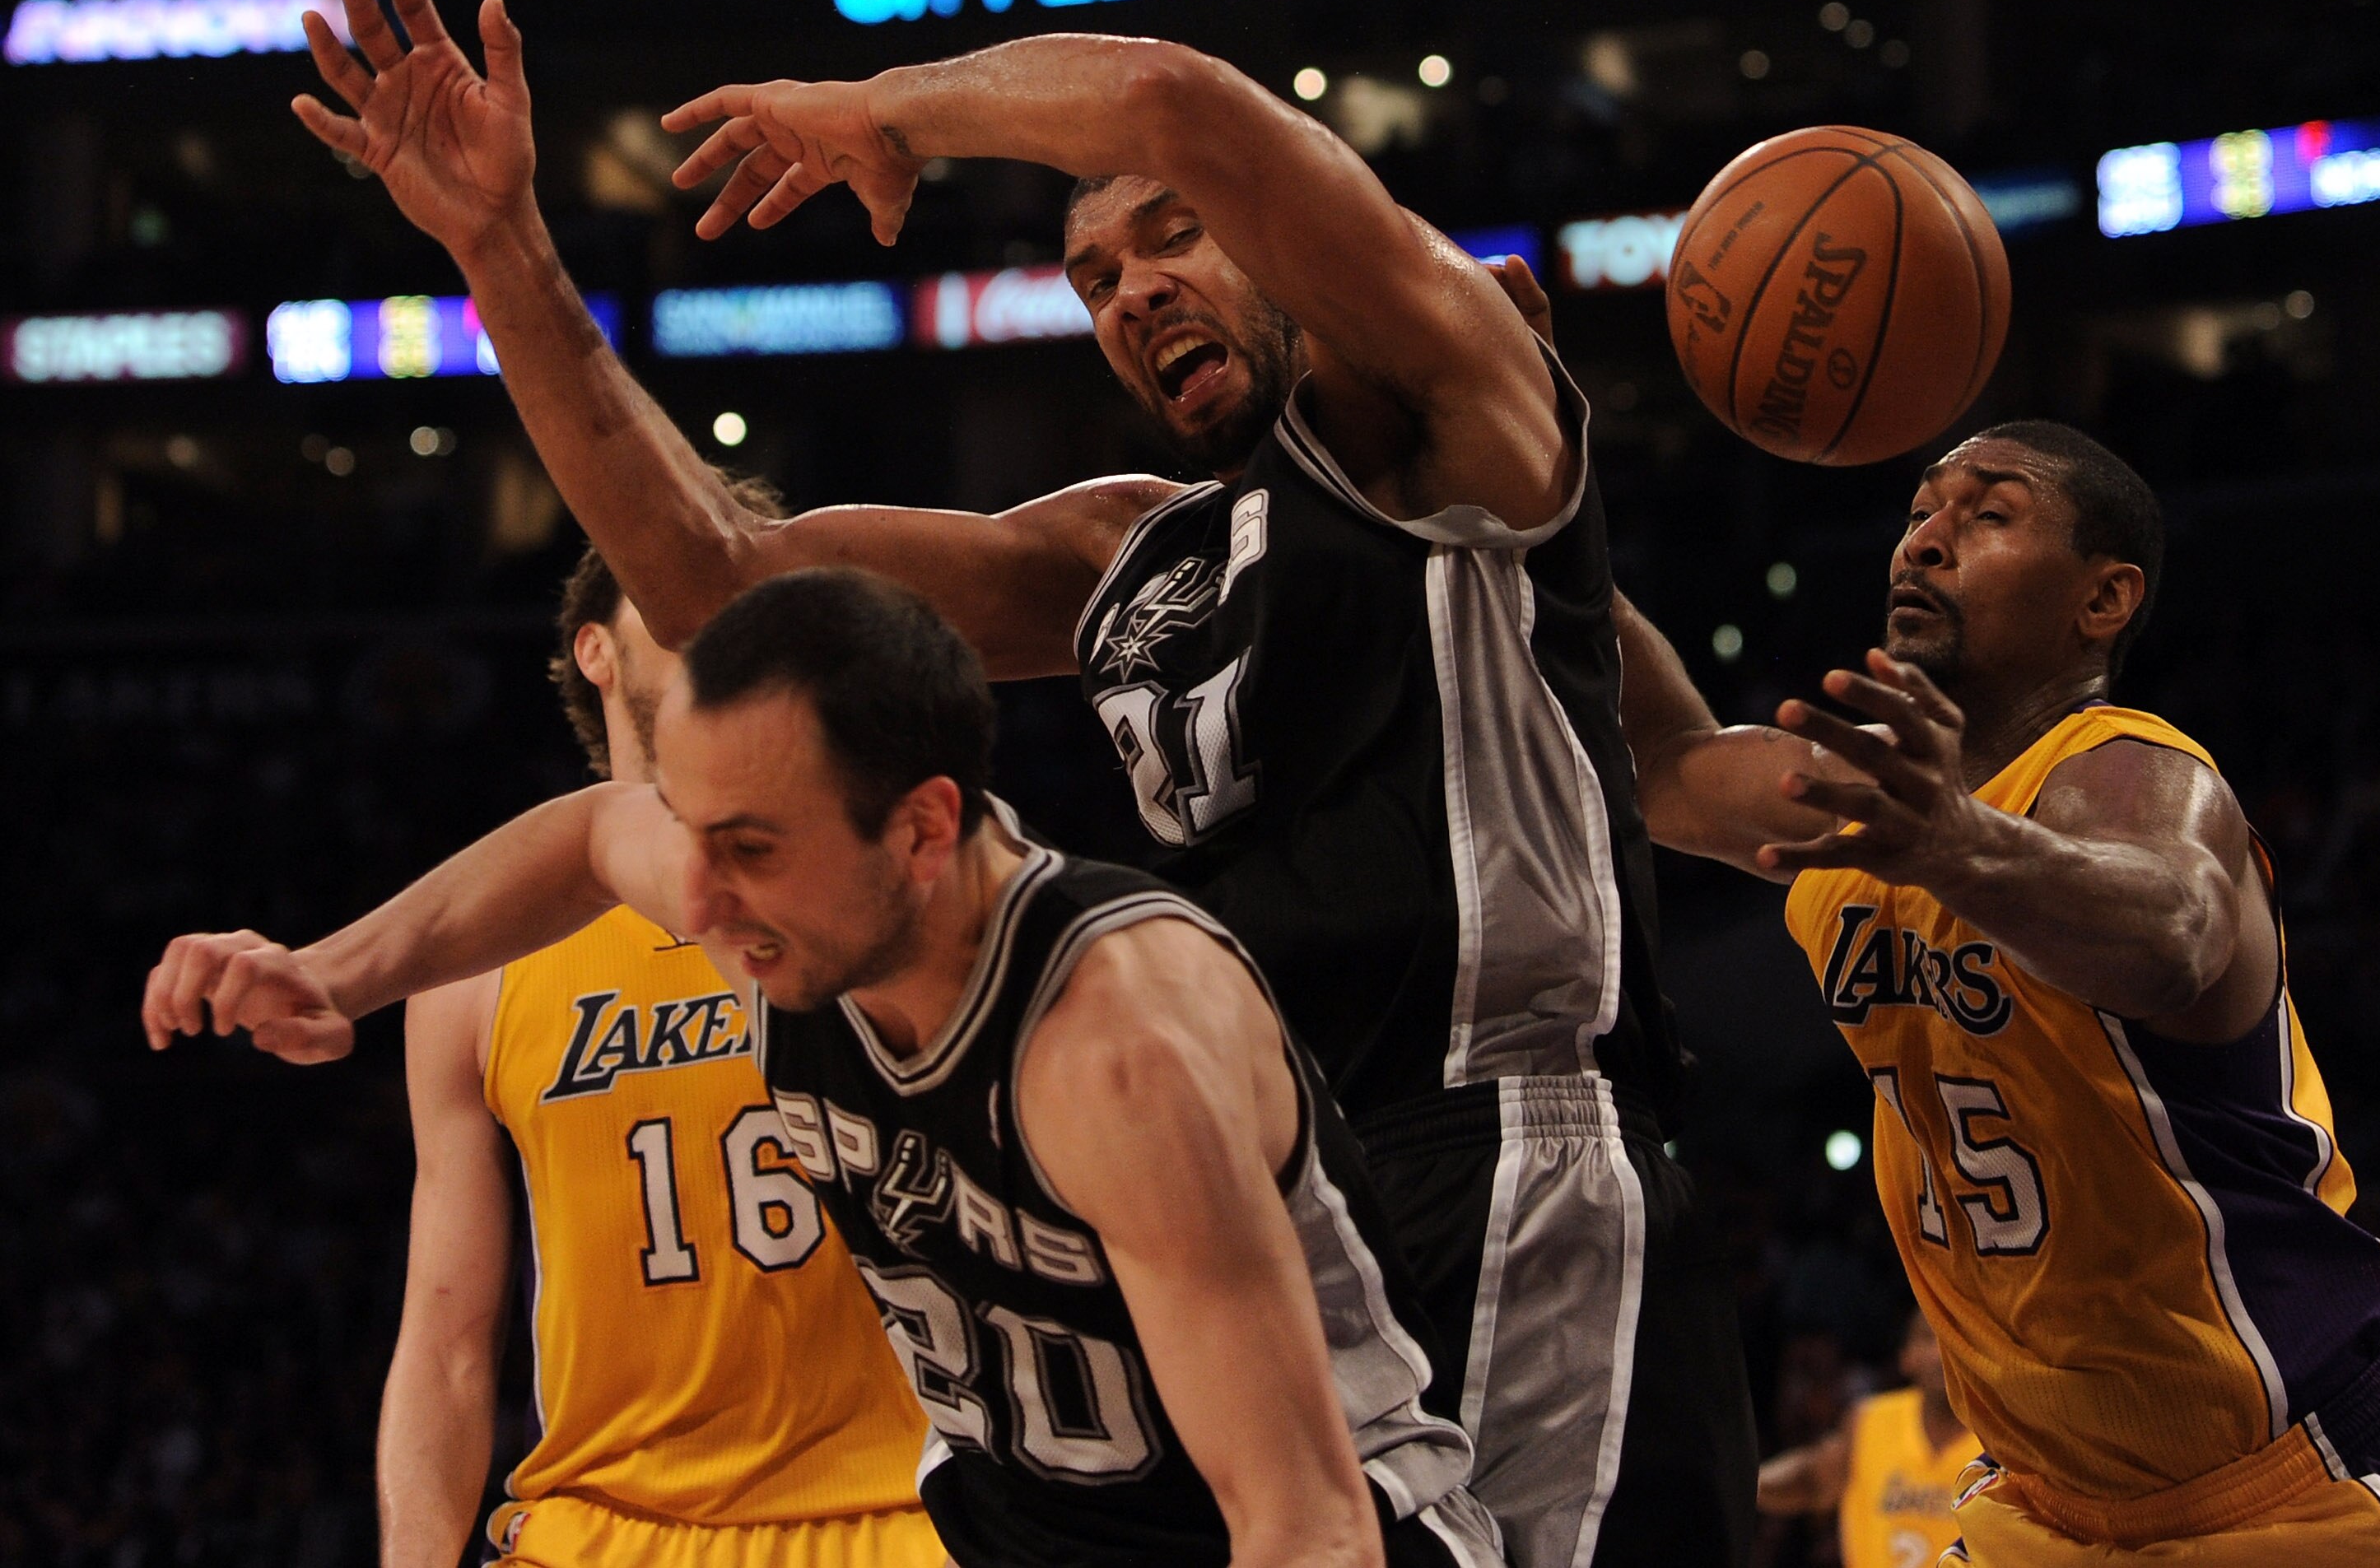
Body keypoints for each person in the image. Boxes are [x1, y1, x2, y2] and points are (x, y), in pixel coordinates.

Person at [281, 0, 1756, 1566]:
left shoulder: (1444, 411)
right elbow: (715, 585)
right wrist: (504, 254)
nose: (1130, 293)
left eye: (1171, 237)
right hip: (1254, 1180)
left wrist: (889, 112)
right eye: (1094, 279)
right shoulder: (1119, 551)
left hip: (1502, 1144)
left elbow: (1167, 99)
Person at [143, 567, 1505, 1568]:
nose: (703, 909)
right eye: (697, 847)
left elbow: (1305, 1516)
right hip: (996, 1520)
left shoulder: (1115, 1046)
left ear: (920, 832)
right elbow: (584, 835)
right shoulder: (794, 905)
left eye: (747, 851)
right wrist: (336, 968)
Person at [1628, 421, 2380, 1565]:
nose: (1925, 542)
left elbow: (2169, 931)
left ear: (2103, 598)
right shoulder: (1874, 801)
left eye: (1988, 513)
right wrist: (1537, 503)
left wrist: (1958, 846)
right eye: (1921, 511)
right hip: (2044, 1509)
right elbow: (1665, 765)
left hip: (2308, 1484)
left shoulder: (2138, 770)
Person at [380, 501, 945, 1568]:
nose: (712, 604)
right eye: (673, 575)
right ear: (592, 645)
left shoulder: (895, 893)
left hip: (901, 1520)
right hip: (597, 1532)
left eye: (742, 586)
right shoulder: (479, 960)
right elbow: (449, 1340)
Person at [1755, 1311, 1974, 1568]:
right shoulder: (1868, 1421)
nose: (1940, 1354)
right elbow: (1811, 1480)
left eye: (1954, 1339)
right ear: (1905, 1357)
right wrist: (1741, 1486)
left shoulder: (2005, 1438)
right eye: (1928, 1338)